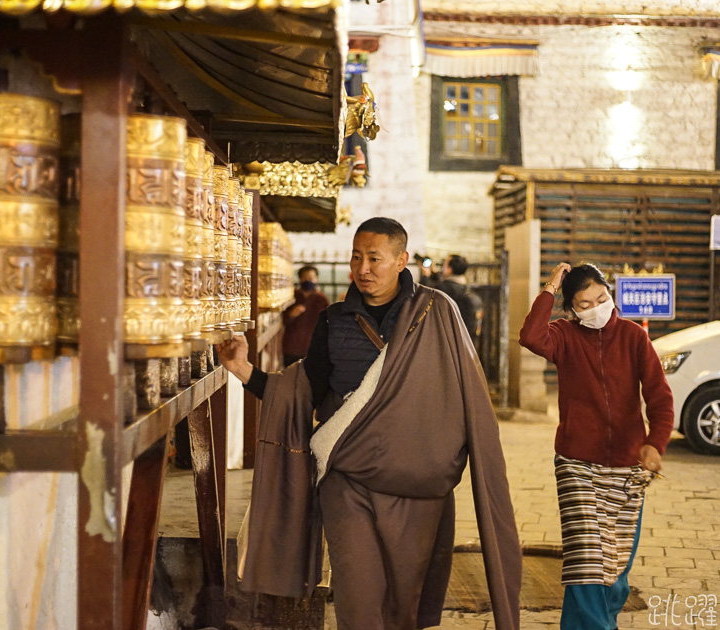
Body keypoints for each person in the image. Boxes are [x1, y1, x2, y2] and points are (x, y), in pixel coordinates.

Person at [218, 217, 522, 630]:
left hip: (419, 484)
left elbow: (467, 393)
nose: (363, 269)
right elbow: (300, 390)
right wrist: (243, 370)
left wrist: (451, 456)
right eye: (356, 258)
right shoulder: (335, 319)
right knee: (356, 596)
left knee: (403, 605)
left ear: (402, 260)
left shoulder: (437, 313)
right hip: (349, 477)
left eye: (374, 259)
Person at [518, 262, 674, 630]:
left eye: (602, 298)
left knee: (615, 565)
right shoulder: (563, 336)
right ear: (572, 310)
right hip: (577, 464)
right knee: (587, 558)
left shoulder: (635, 337)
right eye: (585, 304)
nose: (597, 307)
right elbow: (530, 336)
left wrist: (655, 444)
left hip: (628, 466)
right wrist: (549, 288)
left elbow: (660, 399)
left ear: (611, 294)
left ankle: (599, 622)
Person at [282, 265, 330, 366]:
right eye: (305, 277)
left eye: (311, 278)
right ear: (300, 279)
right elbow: (283, 321)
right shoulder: (292, 297)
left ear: (316, 279)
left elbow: (327, 325)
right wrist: (292, 314)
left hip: (313, 348)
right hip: (291, 347)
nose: (308, 280)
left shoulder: (322, 300)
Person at [436, 255, 483, 343]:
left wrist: (425, 277)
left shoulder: (443, 287)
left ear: (450, 269)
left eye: (445, 264)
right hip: (464, 336)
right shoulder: (465, 287)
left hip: (447, 337)